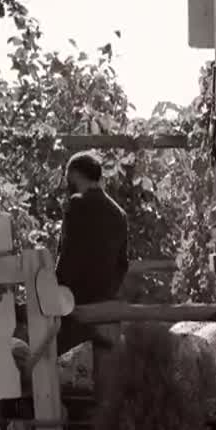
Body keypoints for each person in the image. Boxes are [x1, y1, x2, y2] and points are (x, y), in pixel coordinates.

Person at [55, 151, 129, 355]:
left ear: (76, 175)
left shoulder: (77, 205)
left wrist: (55, 291)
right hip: (104, 303)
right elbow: (122, 264)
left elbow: (68, 256)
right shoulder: (119, 214)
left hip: (74, 302)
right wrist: (107, 294)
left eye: (68, 177)